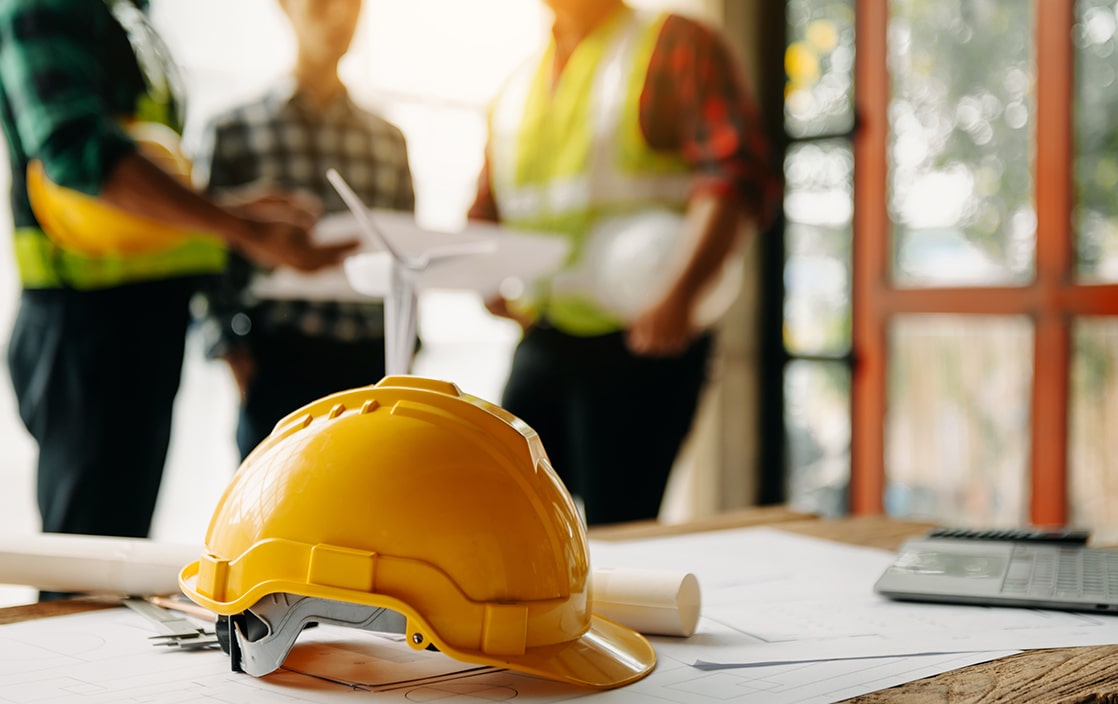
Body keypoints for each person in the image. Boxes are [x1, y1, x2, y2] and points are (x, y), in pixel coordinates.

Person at [0, 0, 354, 548]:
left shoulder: (127, 13)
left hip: (143, 323)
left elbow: (147, 170)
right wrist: (243, 227)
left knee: (117, 550)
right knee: (87, 561)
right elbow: (79, 153)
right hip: (86, 325)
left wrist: (235, 211)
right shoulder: (48, 8)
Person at [469, 0, 780, 526]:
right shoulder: (517, 87)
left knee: (618, 526)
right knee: (503, 505)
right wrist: (485, 275)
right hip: (546, 330)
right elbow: (488, 204)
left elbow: (732, 173)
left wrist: (681, 292)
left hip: (643, 337)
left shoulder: (671, 43)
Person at [193, 0, 415, 460]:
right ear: (285, 8)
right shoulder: (232, 131)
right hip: (277, 362)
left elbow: (407, 262)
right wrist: (230, 350)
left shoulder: (389, 141)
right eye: (321, 4)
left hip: (371, 370)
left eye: (352, 5)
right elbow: (206, 260)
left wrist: (407, 352)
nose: (339, 18)